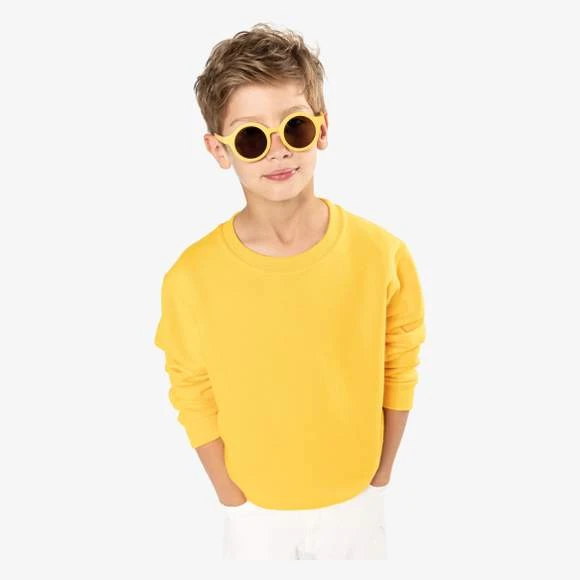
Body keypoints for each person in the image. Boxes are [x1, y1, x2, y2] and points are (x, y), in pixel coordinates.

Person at [154, 22, 427, 560]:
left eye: (295, 128)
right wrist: (231, 497)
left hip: (357, 505)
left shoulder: (382, 254)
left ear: (322, 128)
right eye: (252, 138)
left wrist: (381, 475)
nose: (278, 152)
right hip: (254, 517)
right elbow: (191, 388)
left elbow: (400, 360)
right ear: (219, 150)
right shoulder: (192, 276)